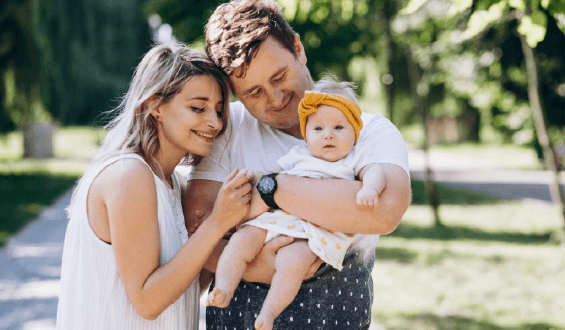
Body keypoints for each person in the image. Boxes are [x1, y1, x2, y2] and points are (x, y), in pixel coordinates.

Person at [183, 1, 411, 329]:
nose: (275, 98)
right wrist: (254, 266)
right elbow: (199, 229)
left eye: (280, 76)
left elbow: (385, 210)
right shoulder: (227, 129)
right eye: (254, 93)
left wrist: (270, 189)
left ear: (298, 48)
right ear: (234, 93)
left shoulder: (366, 128)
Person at [55, 42, 255, 329]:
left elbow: (180, 290)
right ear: (154, 106)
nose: (214, 122)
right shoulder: (129, 175)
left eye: (219, 110)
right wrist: (216, 224)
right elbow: (148, 302)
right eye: (198, 108)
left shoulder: (172, 182)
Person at [206, 79, 387, 330]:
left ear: (355, 130)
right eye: (318, 128)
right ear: (306, 133)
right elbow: (269, 177)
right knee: (240, 241)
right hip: (277, 218)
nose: (328, 134)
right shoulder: (300, 154)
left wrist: (370, 188)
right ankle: (224, 289)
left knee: (293, 264)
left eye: (338, 127)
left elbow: (375, 171)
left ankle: (268, 312)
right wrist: (252, 178)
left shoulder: (357, 156)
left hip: (312, 233)